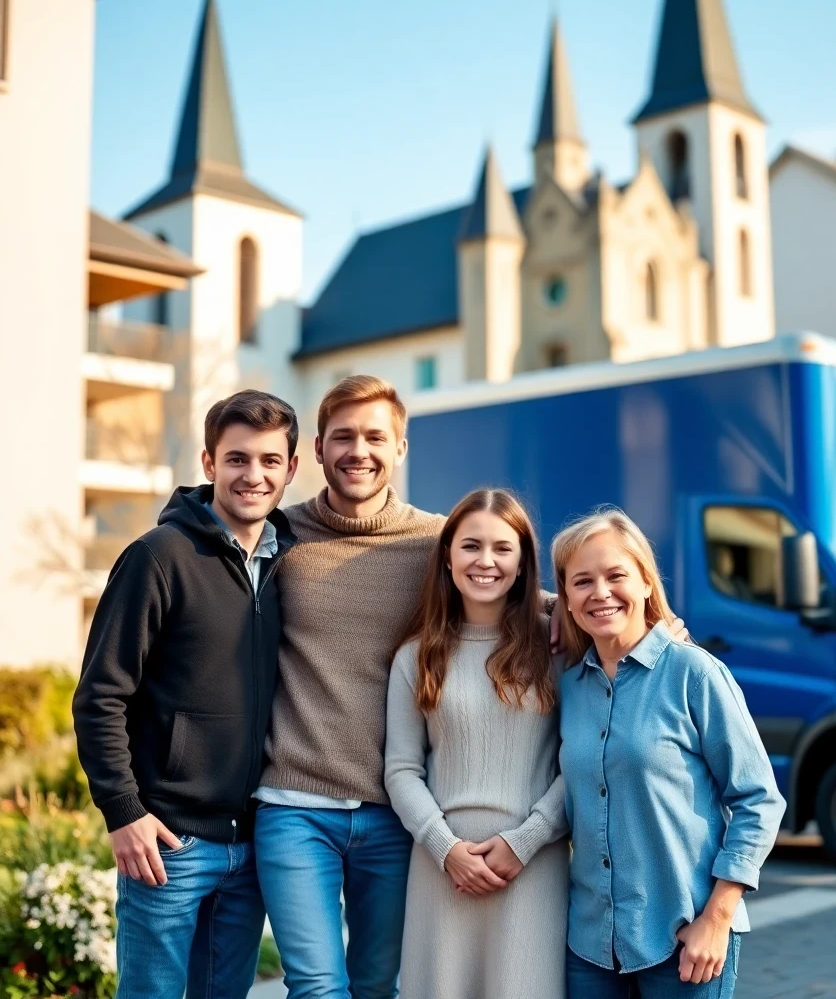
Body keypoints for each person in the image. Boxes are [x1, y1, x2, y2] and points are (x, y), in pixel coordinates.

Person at [253, 376, 560, 999]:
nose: (358, 451)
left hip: (390, 816)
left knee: (377, 985)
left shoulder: (436, 539)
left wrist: (639, 619)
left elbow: (510, 582)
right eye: (343, 437)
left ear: (400, 449)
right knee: (315, 985)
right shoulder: (278, 538)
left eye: (374, 437)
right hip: (296, 801)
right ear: (316, 449)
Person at [72, 390, 300, 999]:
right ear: (209, 463)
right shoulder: (158, 557)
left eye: (269, 461)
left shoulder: (286, 566)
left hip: (249, 844)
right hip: (169, 843)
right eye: (237, 459)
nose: (253, 475)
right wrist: (124, 812)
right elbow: (99, 696)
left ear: (291, 470)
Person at [552, 508, 785, 999]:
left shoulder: (694, 674)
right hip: (590, 946)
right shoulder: (569, 688)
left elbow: (759, 800)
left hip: (685, 938)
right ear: (566, 598)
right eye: (582, 581)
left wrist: (718, 917)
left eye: (616, 575)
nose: (600, 592)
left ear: (645, 583)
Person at [385, 488, 569, 999]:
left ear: (523, 560)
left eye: (502, 548)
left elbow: (580, 763)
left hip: (533, 869)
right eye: (470, 546)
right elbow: (401, 771)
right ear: (447, 557)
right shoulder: (417, 656)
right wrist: (446, 850)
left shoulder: (556, 649)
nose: (485, 561)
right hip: (441, 871)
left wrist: (526, 840)